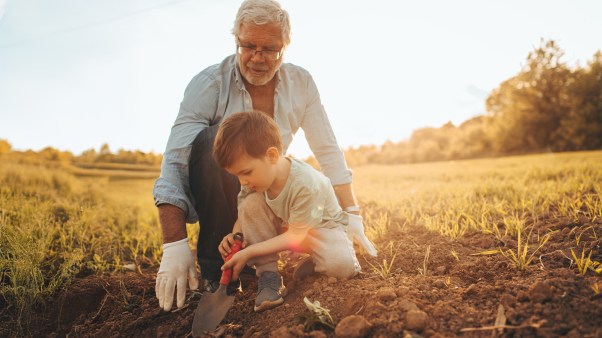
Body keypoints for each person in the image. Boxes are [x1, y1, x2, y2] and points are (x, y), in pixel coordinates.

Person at [153, 0, 376, 312]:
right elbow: (176, 161)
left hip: (273, 188)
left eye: (270, 49)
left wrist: (351, 211)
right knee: (216, 140)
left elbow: (326, 148)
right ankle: (220, 269)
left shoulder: (302, 83)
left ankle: (282, 253)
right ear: (236, 41)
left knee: (333, 253)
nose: (257, 58)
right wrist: (173, 244)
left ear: (284, 48)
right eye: (248, 46)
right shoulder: (209, 84)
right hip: (240, 189)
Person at [215, 111, 361, 312]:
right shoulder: (253, 181)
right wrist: (235, 235)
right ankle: (268, 276)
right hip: (292, 226)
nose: (242, 181)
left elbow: (295, 237)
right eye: (237, 175)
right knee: (250, 203)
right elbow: (245, 212)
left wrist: (249, 252)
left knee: (342, 268)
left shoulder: (305, 184)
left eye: (246, 172)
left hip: (323, 228)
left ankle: (320, 260)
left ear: (272, 156)